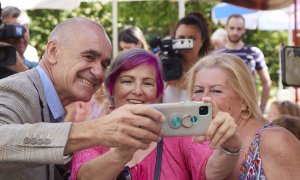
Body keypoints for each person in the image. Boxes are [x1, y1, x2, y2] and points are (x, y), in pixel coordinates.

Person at [0, 17, 167, 180]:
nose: (99, 72)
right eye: (89, 57)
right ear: (53, 52)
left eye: (104, 64)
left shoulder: (56, 106)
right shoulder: (18, 89)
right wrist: (96, 130)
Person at [70, 48, 242, 180]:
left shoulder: (179, 133)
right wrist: (124, 152)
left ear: (159, 93)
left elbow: (213, 172)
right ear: (111, 89)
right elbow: (84, 176)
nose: (137, 91)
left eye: (148, 83)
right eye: (127, 81)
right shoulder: (93, 134)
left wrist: (231, 147)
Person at [186, 53, 300, 179]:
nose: (204, 99)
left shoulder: (277, 141)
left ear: (244, 101)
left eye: (216, 90)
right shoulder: (195, 141)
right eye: (198, 90)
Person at [218, 14, 272, 113]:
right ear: (226, 28)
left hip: (249, 107)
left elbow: (266, 82)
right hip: (224, 108)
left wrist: (262, 108)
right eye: (232, 28)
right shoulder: (217, 55)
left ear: (244, 30)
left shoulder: (254, 53)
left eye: (239, 29)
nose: (235, 32)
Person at [163, 12, 213, 103]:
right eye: (181, 38)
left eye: (192, 38)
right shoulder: (164, 64)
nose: (186, 43)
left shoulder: (211, 67)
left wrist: (183, 84)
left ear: (202, 41)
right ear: (174, 39)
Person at [0, 6, 38, 79]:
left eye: (23, 29)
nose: (20, 37)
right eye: (12, 30)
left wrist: (22, 69)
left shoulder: (36, 69)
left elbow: (41, 89)